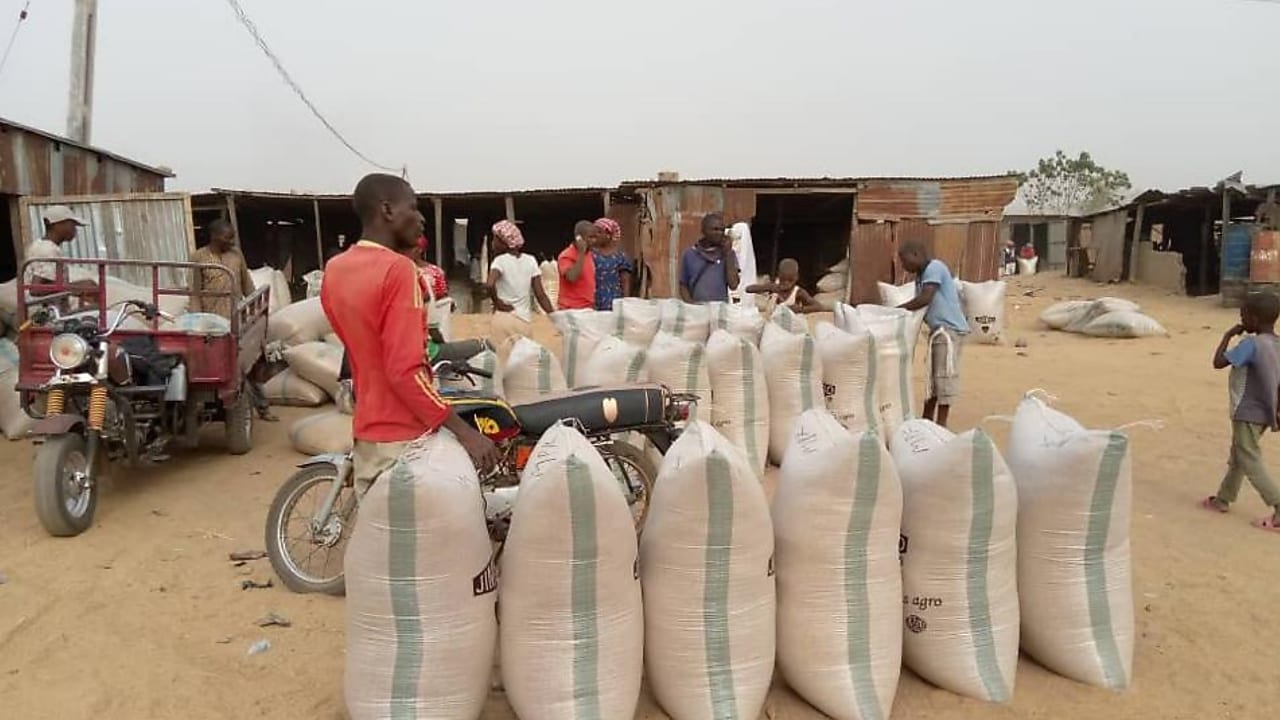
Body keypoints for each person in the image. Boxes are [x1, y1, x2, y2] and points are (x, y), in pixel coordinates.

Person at [320, 173, 498, 492]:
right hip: (404, 439)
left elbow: (359, 348)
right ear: (387, 210)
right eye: (413, 208)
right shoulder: (399, 270)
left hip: (368, 432)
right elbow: (405, 370)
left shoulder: (335, 270)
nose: (421, 218)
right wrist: (464, 432)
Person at [1202, 292, 1280, 532]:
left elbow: (1218, 362)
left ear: (1254, 319)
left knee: (1248, 457)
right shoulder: (1277, 344)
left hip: (1247, 410)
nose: (1241, 319)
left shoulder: (1250, 345)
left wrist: (1228, 336)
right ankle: (1223, 498)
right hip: (1267, 410)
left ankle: (1278, 505)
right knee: (1239, 454)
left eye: (1243, 315)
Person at [189, 219, 277, 421]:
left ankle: (263, 408)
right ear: (214, 236)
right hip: (212, 322)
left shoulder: (236, 255)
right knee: (213, 367)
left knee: (248, 365)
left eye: (232, 237)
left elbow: (248, 286)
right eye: (227, 237)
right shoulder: (198, 258)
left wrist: (258, 311)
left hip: (237, 319)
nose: (231, 241)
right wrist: (197, 322)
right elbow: (194, 292)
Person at [896, 242, 969, 428]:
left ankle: (941, 424)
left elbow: (926, 298)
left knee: (944, 377)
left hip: (949, 331)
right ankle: (927, 420)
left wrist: (897, 310)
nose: (903, 266)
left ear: (916, 253)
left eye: (904, 261)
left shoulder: (934, 268)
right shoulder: (921, 277)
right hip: (939, 332)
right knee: (933, 378)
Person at [488, 220, 554, 360]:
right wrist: (554, 315)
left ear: (504, 242)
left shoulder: (500, 261)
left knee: (502, 361)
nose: (492, 242)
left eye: (495, 238)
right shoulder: (530, 260)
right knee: (523, 363)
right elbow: (540, 295)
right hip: (523, 320)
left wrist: (497, 301)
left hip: (503, 317)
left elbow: (489, 284)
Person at [25, 205, 97, 297]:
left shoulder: (40, 245)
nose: (74, 230)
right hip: (47, 308)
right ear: (57, 225)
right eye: (72, 225)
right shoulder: (47, 250)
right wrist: (75, 286)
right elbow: (36, 289)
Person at [679, 212, 739, 304]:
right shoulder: (690, 254)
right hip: (696, 310)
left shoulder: (728, 254)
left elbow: (733, 285)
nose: (719, 233)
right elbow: (683, 285)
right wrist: (691, 305)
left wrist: (728, 254)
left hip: (719, 311)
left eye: (722, 230)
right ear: (703, 231)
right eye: (715, 229)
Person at [746, 258, 822, 314]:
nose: (786, 283)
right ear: (778, 275)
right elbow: (748, 289)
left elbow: (818, 306)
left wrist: (800, 309)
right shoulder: (774, 287)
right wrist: (765, 289)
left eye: (790, 280)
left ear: (797, 278)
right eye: (783, 280)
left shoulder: (798, 292)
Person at [591, 217, 633, 310]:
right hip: (595, 299)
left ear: (608, 235)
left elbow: (625, 281)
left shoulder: (620, 256)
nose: (595, 236)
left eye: (599, 232)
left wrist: (625, 302)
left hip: (615, 300)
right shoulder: (591, 255)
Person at [556, 221, 597, 310]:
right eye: (590, 237)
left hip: (587, 307)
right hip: (571, 308)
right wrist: (581, 253)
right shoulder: (566, 255)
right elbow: (571, 277)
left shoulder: (590, 254)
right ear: (579, 238)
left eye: (595, 237)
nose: (594, 241)